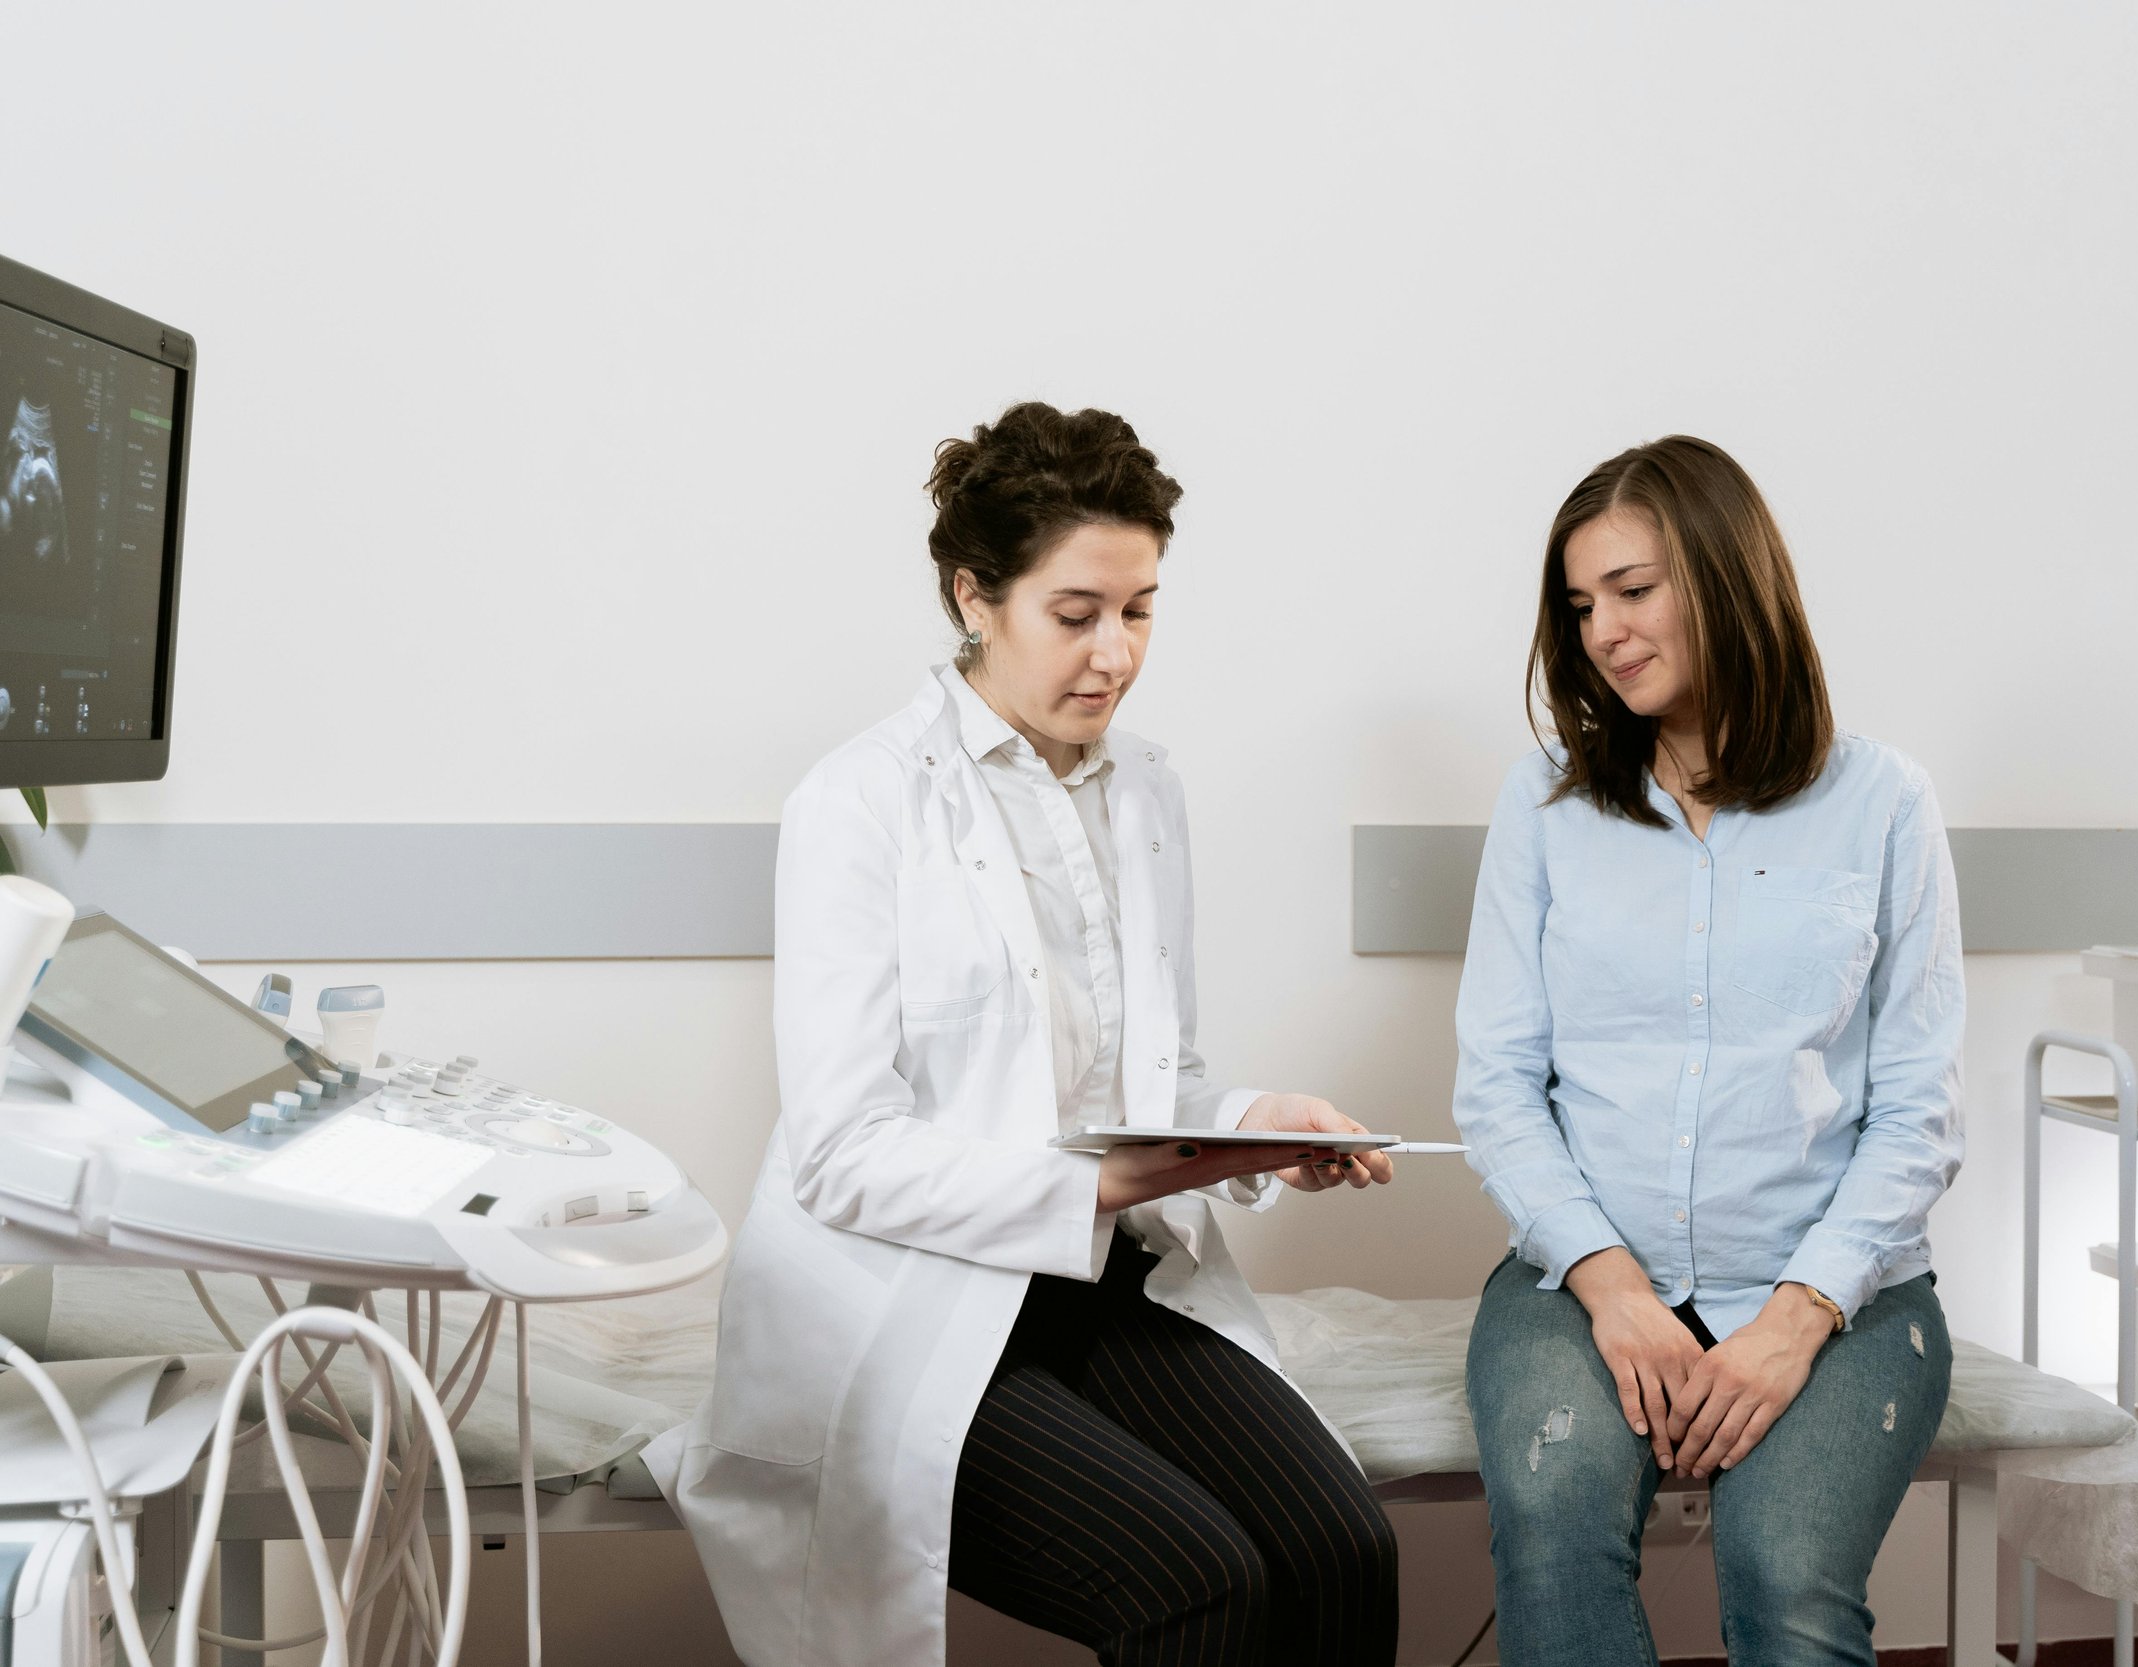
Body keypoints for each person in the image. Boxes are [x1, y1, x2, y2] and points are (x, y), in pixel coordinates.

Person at [659, 402, 1400, 1667]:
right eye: (1076, 614)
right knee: (1197, 1581)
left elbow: (1150, 1079)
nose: (1114, 653)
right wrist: (1095, 1178)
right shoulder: (861, 801)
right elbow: (841, 1152)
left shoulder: (1147, 789)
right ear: (973, 597)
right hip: (910, 1303)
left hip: (1102, 1280)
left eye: (1141, 609)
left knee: (1346, 1547)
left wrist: (1248, 1127)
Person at [1455, 435, 1964, 1667]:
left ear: (1729, 577)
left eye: (1634, 589)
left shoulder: (1883, 802)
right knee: (1555, 1525)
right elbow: (1497, 1088)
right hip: (1580, 1284)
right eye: (1581, 607)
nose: (1605, 631)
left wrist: (1796, 1317)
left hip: (1836, 1292)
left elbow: (1917, 1112)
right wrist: (1615, 1290)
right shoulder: (1543, 808)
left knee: (1785, 1576)